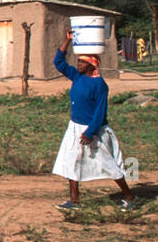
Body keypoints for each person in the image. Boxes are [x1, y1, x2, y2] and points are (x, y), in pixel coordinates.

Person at [52, 30, 136, 211]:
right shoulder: (77, 76)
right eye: (79, 61)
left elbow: (100, 111)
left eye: (82, 62)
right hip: (75, 126)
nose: (78, 64)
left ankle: (129, 197)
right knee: (71, 161)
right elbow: (58, 62)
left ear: (92, 65)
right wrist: (67, 41)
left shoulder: (99, 85)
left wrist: (90, 132)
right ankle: (74, 201)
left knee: (107, 164)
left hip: (94, 130)